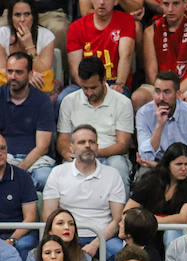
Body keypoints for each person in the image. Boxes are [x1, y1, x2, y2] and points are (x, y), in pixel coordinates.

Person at [43, 123, 126, 261]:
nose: (88, 145)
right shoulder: (58, 172)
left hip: (103, 237)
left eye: (92, 142)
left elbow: (117, 219)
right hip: (66, 236)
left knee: (123, 255)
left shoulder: (112, 174)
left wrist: (95, 243)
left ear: (97, 146)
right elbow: (48, 215)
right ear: (72, 148)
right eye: (82, 142)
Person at [57, 56, 134, 187]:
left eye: (93, 88)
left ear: (104, 80)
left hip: (112, 155)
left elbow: (123, 144)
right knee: (65, 174)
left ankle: (122, 208)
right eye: (84, 88)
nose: (88, 92)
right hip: (79, 154)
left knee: (119, 170)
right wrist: (67, 153)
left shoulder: (123, 102)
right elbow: (63, 139)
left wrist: (92, 153)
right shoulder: (69, 101)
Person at [133, 0, 187, 119]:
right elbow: (151, 75)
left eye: (175, 4)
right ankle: (145, 138)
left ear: (185, 4)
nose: (170, 9)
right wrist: (165, 92)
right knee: (138, 97)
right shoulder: (150, 31)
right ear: (160, 5)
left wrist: (175, 92)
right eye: (166, 4)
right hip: (158, 85)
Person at [127, 142, 187, 249]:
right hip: (147, 233)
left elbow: (183, 217)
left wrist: (151, 220)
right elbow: (129, 210)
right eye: (178, 164)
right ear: (168, 164)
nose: (184, 168)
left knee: (172, 231)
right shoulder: (150, 180)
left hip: (176, 234)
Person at [0, 51, 57, 189]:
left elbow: (42, 147)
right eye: (10, 71)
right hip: (4, 157)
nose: (13, 76)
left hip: (35, 160)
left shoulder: (43, 101)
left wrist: (18, 171)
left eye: (19, 72)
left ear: (30, 74)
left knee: (45, 179)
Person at [134, 70, 187, 170]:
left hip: (185, 167)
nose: (161, 98)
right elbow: (146, 158)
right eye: (157, 91)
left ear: (178, 94)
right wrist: (159, 126)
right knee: (144, 174)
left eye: (167, 92)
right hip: (156, 167)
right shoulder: (143, 114)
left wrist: (164, 167)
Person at [65, 0, 136, 96]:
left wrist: (119, 84)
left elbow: (126, 56)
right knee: (62, 98)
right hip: (85, 83)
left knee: (118, 98)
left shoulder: (126, 20)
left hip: (114, 83)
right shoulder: (76, 27)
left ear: (115, 2)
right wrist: (90, 87)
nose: (102, 2)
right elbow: (75, 69)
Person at [1, 1, 56, 94]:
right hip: (6, 87)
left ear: (33, 16)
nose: (22, 19)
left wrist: (29, 46)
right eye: (17, 15)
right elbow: (1, 70)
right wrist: (26, 77)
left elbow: (44, 71)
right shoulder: (2, 34)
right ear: (11, 18)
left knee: (46, 78)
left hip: (36, 86)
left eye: (27, 14)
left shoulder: (47, 36)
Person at [0, 134, 37, 259]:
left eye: (2, 148)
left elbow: (30, 217)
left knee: (24, 244)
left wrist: (11, 240)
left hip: (19, 234)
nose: (0, 152)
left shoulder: (23, 177)